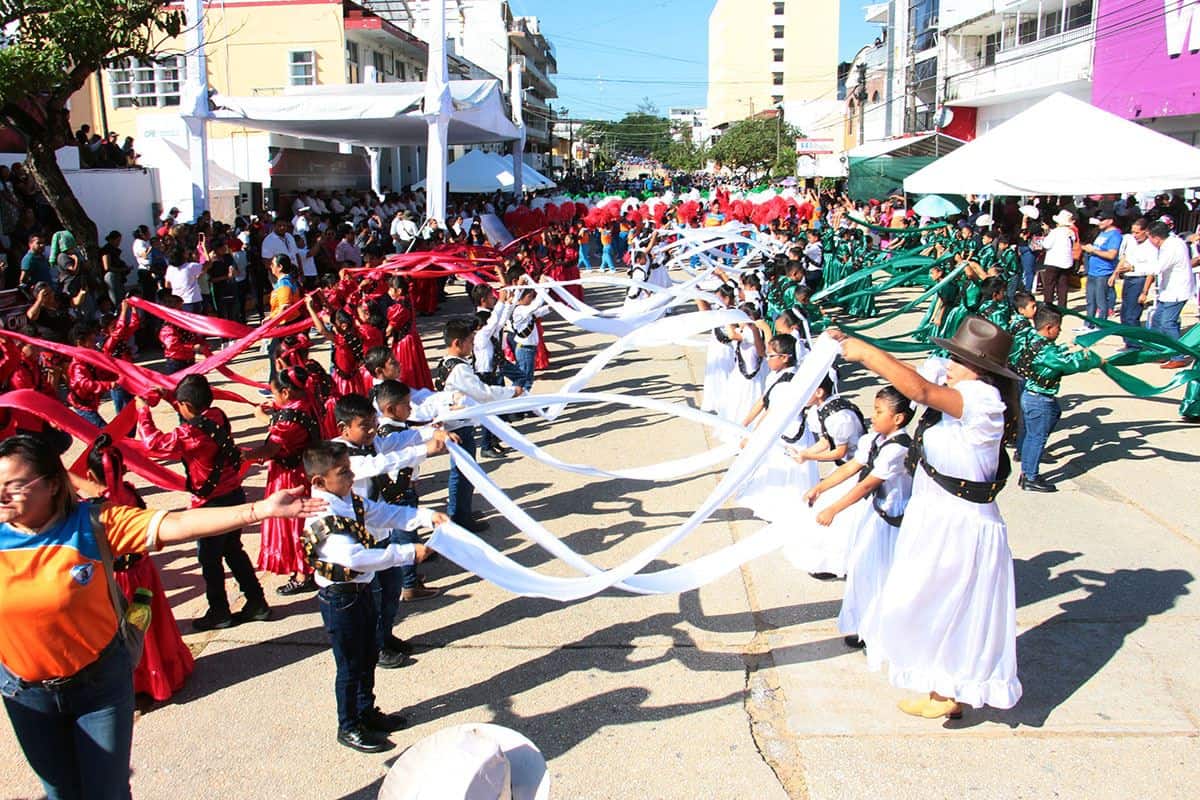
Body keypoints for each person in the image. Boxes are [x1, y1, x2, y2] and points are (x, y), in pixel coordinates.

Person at [0, 433, 325, 800]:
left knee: (107, 792)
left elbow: (175, 524)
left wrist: (257, 510)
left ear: (53, 483)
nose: (2, 495)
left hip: (97, 688)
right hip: (24, 694)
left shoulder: (93, 524)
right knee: (60, 792)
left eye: (15, 485)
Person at [834, 317, 1022, 719]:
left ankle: (948, 690)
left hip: (959, 523)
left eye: (959, 358)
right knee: (930, 603)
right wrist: (856, 345)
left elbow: (917, 389)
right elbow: (915, 376)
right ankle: (938, 687)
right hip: (937, 517)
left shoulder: (982, 400)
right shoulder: (958, 388)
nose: (949, 363)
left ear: (980, 368)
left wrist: (865, 353)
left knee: (936, 603)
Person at [301, 441, 444, 753]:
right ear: (318, 481)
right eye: (344, 473)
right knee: (351, 666)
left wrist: (423, 516)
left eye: (351, 470)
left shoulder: (346, 499)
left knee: (367, 657)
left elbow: (380, 513)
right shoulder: (323, 516)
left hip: (360, 592)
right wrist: (408, 552)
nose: (352, 478)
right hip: (341, 598)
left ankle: (367, 712)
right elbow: (356, 558)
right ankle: (349, 725)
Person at [137, 374, 271, 629]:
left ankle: (219, 612)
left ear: (186, 406)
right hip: (233, 494)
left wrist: (143, 411)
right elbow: (191, 414)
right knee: (233, 550)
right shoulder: (217, 415)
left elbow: (154, 444)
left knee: (210, 559)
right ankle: (257, 602)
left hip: (211, 504)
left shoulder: (191, 434)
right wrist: (169, 397)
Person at [330, 394, 448, 667]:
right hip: (361, 539)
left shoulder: (372, 443)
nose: (372, 431)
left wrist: (431, 432)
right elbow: (378, 465)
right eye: (365, 426)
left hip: (381, 532)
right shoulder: (339, 456)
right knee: (373, 597)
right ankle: (376, 647)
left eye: (374, 423)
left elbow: (396, 441)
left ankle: (385, 636)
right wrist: (425, 450)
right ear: (344, 428)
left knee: (390, 591)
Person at [76, 435, 193, 702]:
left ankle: (142, 684)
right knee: (152, 625)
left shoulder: (101, 506)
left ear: (92, 474)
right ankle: (164, 673)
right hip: (142, 569)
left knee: (131, 632)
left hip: (121, 577)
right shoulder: (127, 491)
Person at [803, 386, 913, 648]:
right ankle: (865, 624)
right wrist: (820, 487)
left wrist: (833, 509)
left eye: (879, 411)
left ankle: (882, 630)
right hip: (877, 513)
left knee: (884, 573)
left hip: (894, 518)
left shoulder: (897, 448)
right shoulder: (875, 439)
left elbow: (867, 484)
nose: (872, 417)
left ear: (898, 418)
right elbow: (853, 467)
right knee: (864, 569)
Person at [437, 317, 524, 532]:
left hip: (457, 421)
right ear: (457, 343)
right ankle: (459, 517)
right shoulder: (460, 370)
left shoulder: (446, 362)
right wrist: (511, 392)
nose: (471, 345)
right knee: (463, 472)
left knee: (465, 470)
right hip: (459, 425)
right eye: (468, 341)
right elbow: (483, 392)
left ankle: (462, 511)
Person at [243, 366, 322, 594]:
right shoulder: (309, 401)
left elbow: (270, 449)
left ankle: (302, 572)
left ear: (286, 393)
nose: (274, 398)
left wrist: (246, 454)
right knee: (306, 520)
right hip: (305, 469)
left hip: (290, 476)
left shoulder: (288, 422)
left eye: (275, 393)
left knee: (293, 524)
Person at [1012, 307, 1103, 492]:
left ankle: (1027, 470)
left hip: (1032, 396)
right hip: (1039, 399)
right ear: (1048, 328)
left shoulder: (1033, 338)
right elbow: (1068, 364)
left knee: (1041, 427)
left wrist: (1066, 346)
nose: (1059, 331)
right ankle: (1030, 476)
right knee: (1037, 437)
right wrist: (1093, 360)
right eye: (1057, 328)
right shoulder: (1047, 352)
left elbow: (1052, 354)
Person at [787, 375, 867, 579]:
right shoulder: (821, 411)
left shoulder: (839, 417)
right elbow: (826, 441)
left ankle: (841, 563)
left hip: (853, 469)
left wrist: (808, 455)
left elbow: (839, 452)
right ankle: (828, 561)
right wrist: (806, 454)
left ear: (819, 392)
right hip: (844, 467)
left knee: (843, 518)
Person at [1121, 221, 1198, 370]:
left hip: (1176, 291)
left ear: (1155, 238)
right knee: (1157, 321)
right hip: (1167, 291)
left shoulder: (1172, 247)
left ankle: (1178, 356)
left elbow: (1157, 268)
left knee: (1167, 323)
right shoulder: (1171, 243)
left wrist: (1133, 267)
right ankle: (1159, 351)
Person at [1112, 218, 1156, 352]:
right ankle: (1128, 342)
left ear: (1145, 232)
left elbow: (1151, 271)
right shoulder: (1130, 241)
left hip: (1140, 280)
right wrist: (1115, 273)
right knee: (1124, 314)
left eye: (1137, 233)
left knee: (1132, 315)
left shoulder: (1151, 247)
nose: (1135, 235)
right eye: (1133, 232)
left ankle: (1135, 344)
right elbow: (1125, 257)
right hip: (1128, 279)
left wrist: (1144, 292)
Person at [66, 322, 118, 429]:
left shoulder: (90, 359)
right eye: (92, 341)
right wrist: (109, 385)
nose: (95, 344)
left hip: (91, 404)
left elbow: (101, 374)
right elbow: (86, 384)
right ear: (80, 342)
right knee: (104, 435)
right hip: (83, 406)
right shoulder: (78, 364)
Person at [1079, 211, 1121, 330]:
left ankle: (1101, 325)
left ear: (1110, 221)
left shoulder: (1115, 235)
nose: (1100, 222)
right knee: (1090, 300)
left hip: (1103, 272)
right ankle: (1088, 324)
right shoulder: (1101, 233)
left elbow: (1112, 255)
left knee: (1101, 301)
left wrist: (1093, 251)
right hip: (1092, 271)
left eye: (1102, 220)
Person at [1039, 209, 1077, 309]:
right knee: (1063, 285)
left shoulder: (1055, 232)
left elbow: (1046, 244)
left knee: (1049, 285)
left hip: (1054, 261)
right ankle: (1062, 307)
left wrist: (1045, 236)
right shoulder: (1071, 233)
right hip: (1066, 261)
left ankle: (1048, 305)